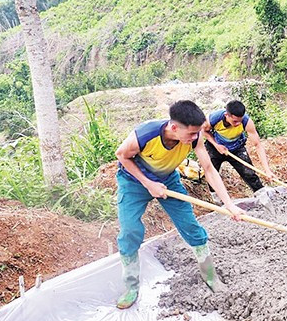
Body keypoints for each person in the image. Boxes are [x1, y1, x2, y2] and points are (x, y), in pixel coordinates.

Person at [114, 100, 243, 309]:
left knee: (191, 226)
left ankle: (211, 277)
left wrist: (229, 204)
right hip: (133, 182)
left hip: (168, 180)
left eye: (197, 134)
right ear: (174, 127)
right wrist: (148, 183)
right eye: (191, 134)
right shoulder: (144, 135)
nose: (195, 138)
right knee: (129, 230)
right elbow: (122, 156)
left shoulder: (195, 136)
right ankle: (131, 287)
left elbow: (209, 169)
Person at [202, 100, 275, 204]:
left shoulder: (246, 122)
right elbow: (204, 131)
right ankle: (217, 199)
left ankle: (262, 195)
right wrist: (216, 145)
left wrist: (267, 170)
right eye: (235, 121)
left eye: (240, 121)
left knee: (249, 173)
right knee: (211, 172)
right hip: (216, 147)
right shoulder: (214, 118)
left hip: (237, 147)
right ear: (227, 115)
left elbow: (258, 145)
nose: (238, 124)